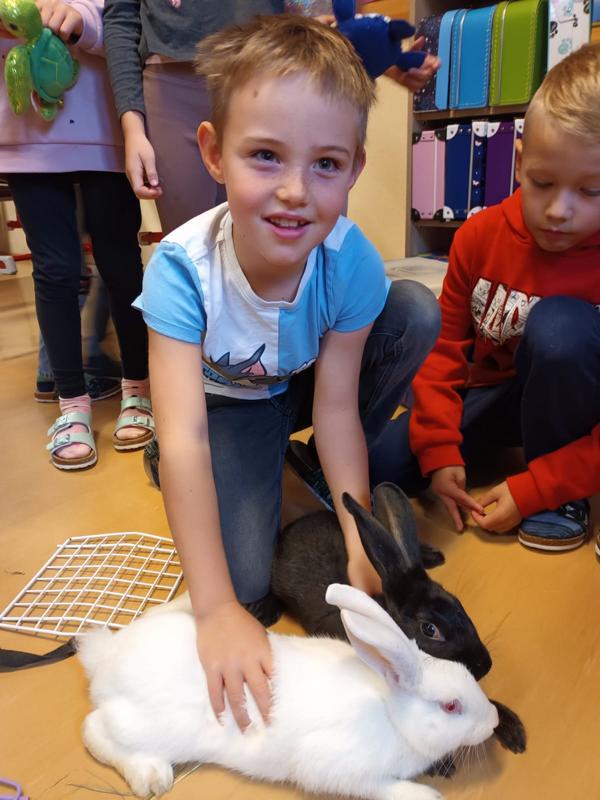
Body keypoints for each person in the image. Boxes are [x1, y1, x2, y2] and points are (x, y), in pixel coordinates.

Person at [135, 15, 440, 730]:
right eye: (266, 156)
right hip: (219, 409)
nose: (296, 191)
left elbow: (335, 409)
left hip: (297, 388)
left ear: (355, 168)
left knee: (413, 310)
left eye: (325, 164)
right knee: (244, 586)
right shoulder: (181, 271)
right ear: (214, 153)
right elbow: (185, 437)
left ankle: (294, 470)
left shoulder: (350, 261)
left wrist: (359, 537)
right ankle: (247, 466)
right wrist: (214, 609)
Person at [371, 43, 600, 553]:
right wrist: (439, 450)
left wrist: (538, 487)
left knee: (560, 328)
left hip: (579, 414)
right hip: (498, 394)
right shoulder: (479, 236)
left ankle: (562, 498)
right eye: (543, 182)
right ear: (519, 162)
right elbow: (444, 351)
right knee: (382, 465)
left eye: (592, 192)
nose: (559, 211)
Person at [103, 0, 439, 234]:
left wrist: (380, 56)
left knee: (309, 253)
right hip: (176, 85)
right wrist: (132, 125)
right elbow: (122, 17)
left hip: (285, 75)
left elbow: (330, 16)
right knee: (197, 258)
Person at [0, 0, 153, 470]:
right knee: (55, 271)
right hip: (26, 139)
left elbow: (130, 34)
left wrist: (84, 22)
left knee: (121, 266)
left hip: (107, 131)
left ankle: (138, 387)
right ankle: (71, 404)